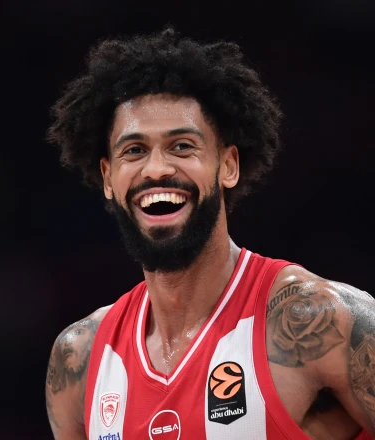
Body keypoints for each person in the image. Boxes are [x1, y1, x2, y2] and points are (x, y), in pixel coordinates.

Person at [45, 29, 375, 440]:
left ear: (228, 165)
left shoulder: (322, 322)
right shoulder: (79, 358)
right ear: (108, 177)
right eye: (134, 150)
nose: (156, 169)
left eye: (182, 146)